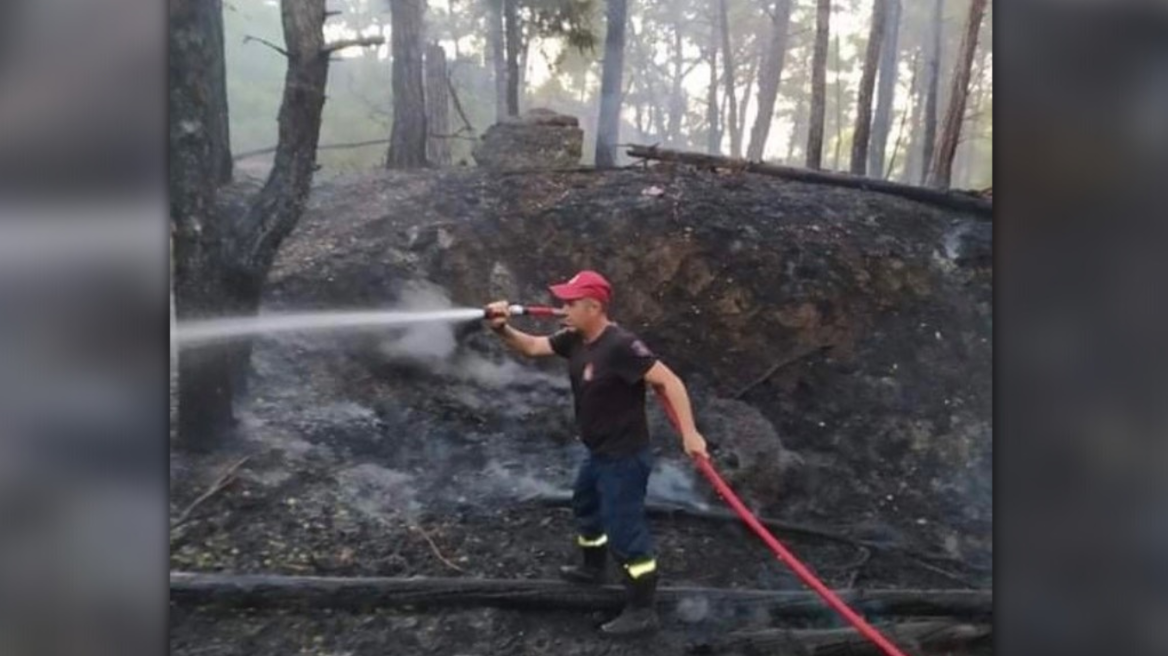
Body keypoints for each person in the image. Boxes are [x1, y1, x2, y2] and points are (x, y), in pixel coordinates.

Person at [484, 270, 709, 637]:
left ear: (594, 306)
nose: (563, 308)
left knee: (626, 533)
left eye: (571, 303)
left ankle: (641, 609)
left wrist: (690, 433)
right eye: (563, 302)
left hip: (624, 458)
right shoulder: (575, 339)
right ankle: (592, 568)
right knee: (585, 507)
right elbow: (533, 347)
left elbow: (670, 382)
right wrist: (501, 329)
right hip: (597, 452)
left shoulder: (620, 345)